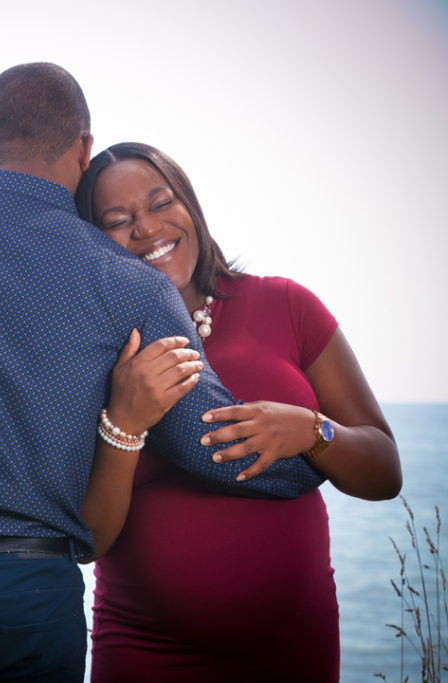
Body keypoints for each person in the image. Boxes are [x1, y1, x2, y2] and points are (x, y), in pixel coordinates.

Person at [0, 64, 320, 682]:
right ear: (83, 149)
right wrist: (318, 452)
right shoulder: (133, 286)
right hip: (24, 598)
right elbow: (213, 448)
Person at [75, 142, 402, 682]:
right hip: (144, 649)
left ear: (191, 205)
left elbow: (384, 473)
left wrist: (310, 431)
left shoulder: (287, 305)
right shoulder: (95, 351)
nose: (147, 228)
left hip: (290, 647)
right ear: (92, 241)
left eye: (161, 203)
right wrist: (126, 424)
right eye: (117, 220)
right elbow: (91, 540)